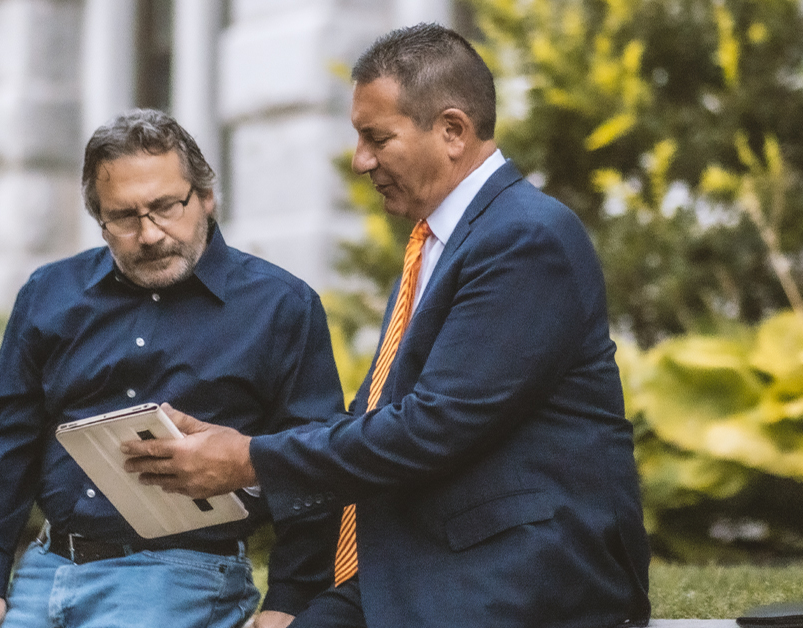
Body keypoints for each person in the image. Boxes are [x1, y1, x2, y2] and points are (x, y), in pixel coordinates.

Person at [123, 23, 653, 628]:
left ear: (452, 131)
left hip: (519, 576)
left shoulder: (527, 238)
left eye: (377, 138)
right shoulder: (441, 240)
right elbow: (381, 420)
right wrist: (225, 455)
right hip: (414, 565)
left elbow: (432, 427)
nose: (360, 160)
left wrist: (248, 458)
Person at [0, 109, 344, 628]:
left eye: (166, 207)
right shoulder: (48, 295)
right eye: (124, 217)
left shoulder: (281, 307)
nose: (150, 233)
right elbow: (8, 437)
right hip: (45, 567)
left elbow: (312, 460)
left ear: (205, 196)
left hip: (185, 573)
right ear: (100, 219)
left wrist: (290, 598)